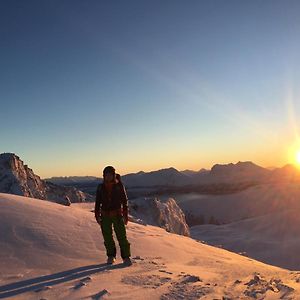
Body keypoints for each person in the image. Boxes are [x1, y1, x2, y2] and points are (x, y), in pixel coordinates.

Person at [94, 166, 132, 265]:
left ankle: (126, 257)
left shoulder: (119, 186)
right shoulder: (100, 187)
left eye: (110, 175)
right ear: (104, 176)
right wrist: (97, 214)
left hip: (117, 214)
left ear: (113, 175)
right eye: (106, 175)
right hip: (105, 215)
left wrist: (125, 215)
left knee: (121, 235)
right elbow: (98, 202)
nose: (108, 177)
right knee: (107, 237)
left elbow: (124, 201)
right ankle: (111, 256)